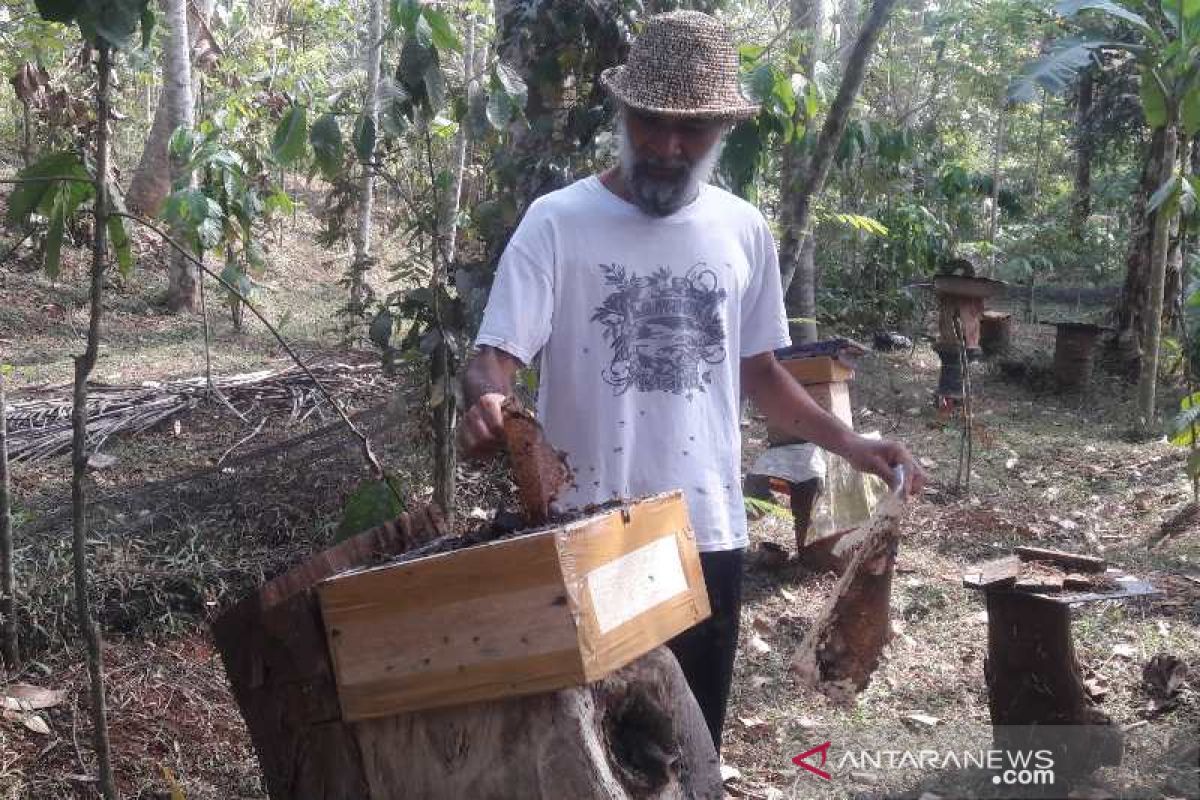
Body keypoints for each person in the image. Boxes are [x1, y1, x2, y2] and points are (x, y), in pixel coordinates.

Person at [457, 10, 925, 752]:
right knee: (592, 753)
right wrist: (486, 398)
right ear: (623, 112)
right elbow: (496, 357)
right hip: (586, 535)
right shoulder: (558, 223)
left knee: (688, 748)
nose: (668, 147)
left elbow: (762, 374)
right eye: (651, 123)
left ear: (721, 132)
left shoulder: (743, 230)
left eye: (693, 131)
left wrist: (855, 444)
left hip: (704, 535)